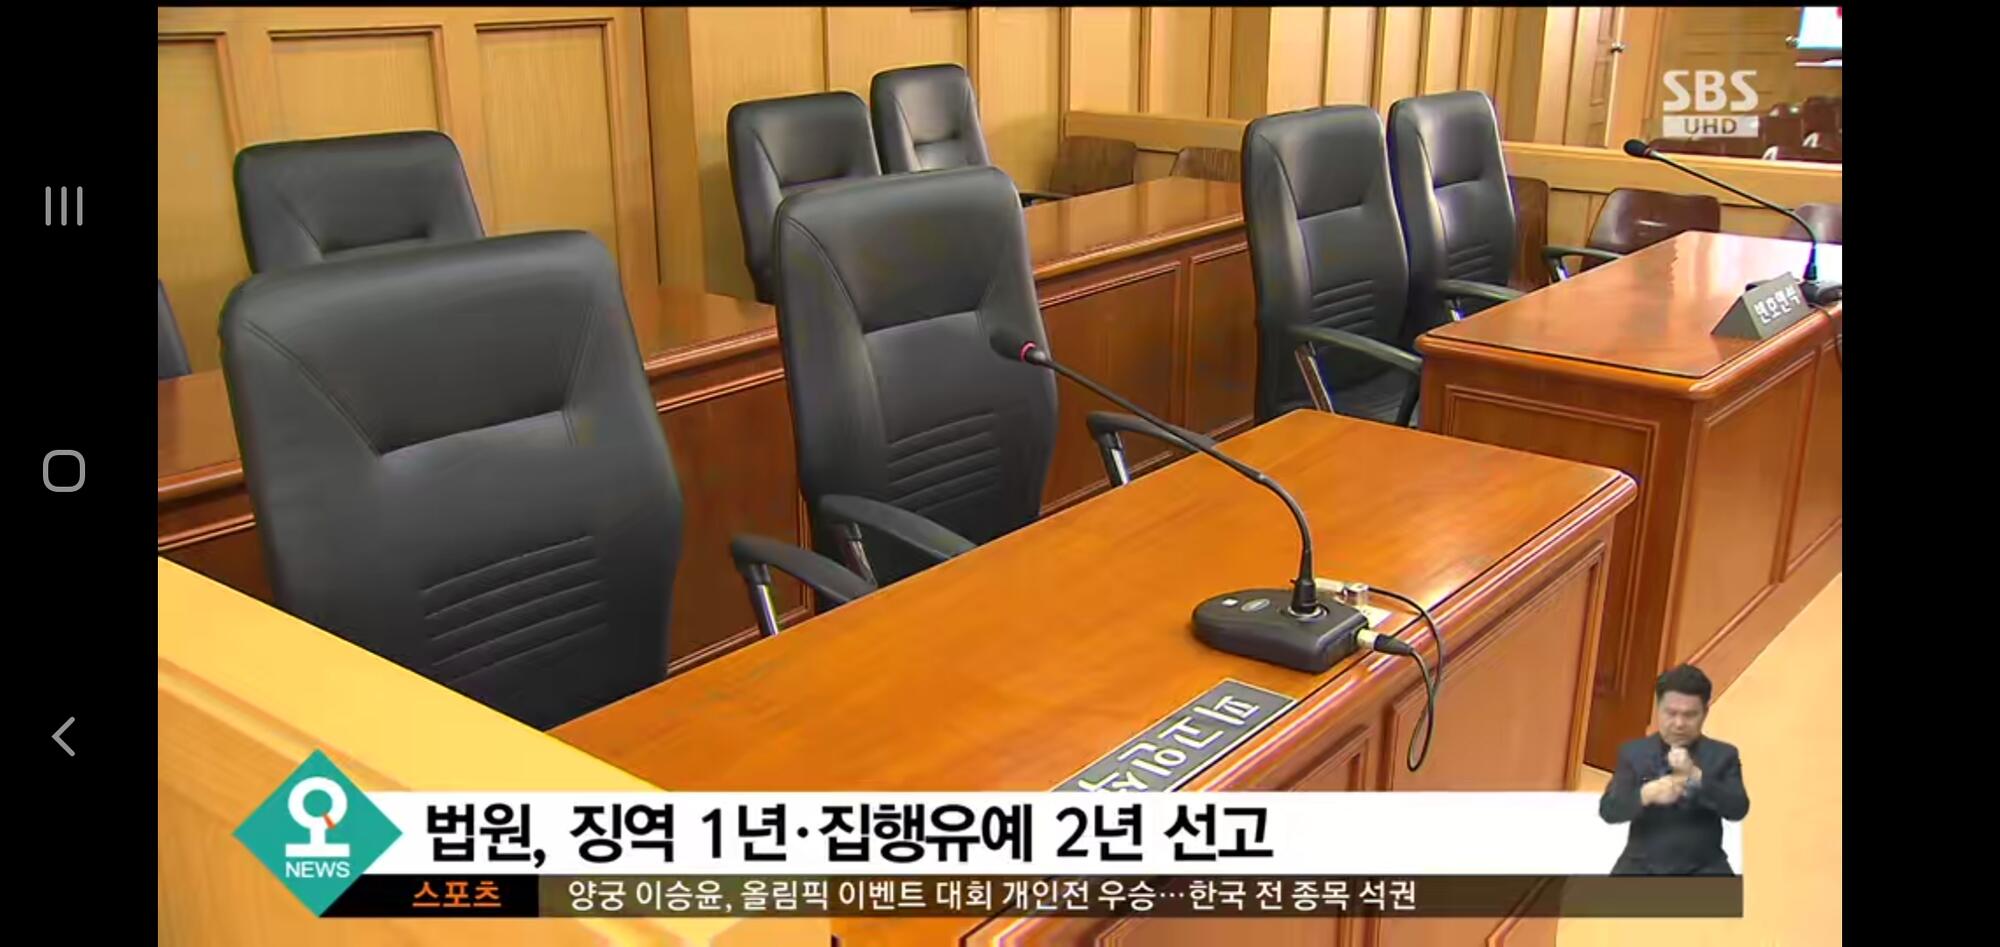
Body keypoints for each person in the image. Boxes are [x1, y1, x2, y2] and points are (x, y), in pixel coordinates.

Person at [1599, 664, 1749, 875]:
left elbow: (1738, 809)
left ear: (1705, 713)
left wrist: (1695, 776)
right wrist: (1645, 794)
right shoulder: (1633, 753)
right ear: (1658, 709)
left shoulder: (1724, 755)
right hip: (1641, 865)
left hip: (1704, 867)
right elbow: (1609, 811)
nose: (1679, 723)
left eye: (1690, 715)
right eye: (1671, 713)